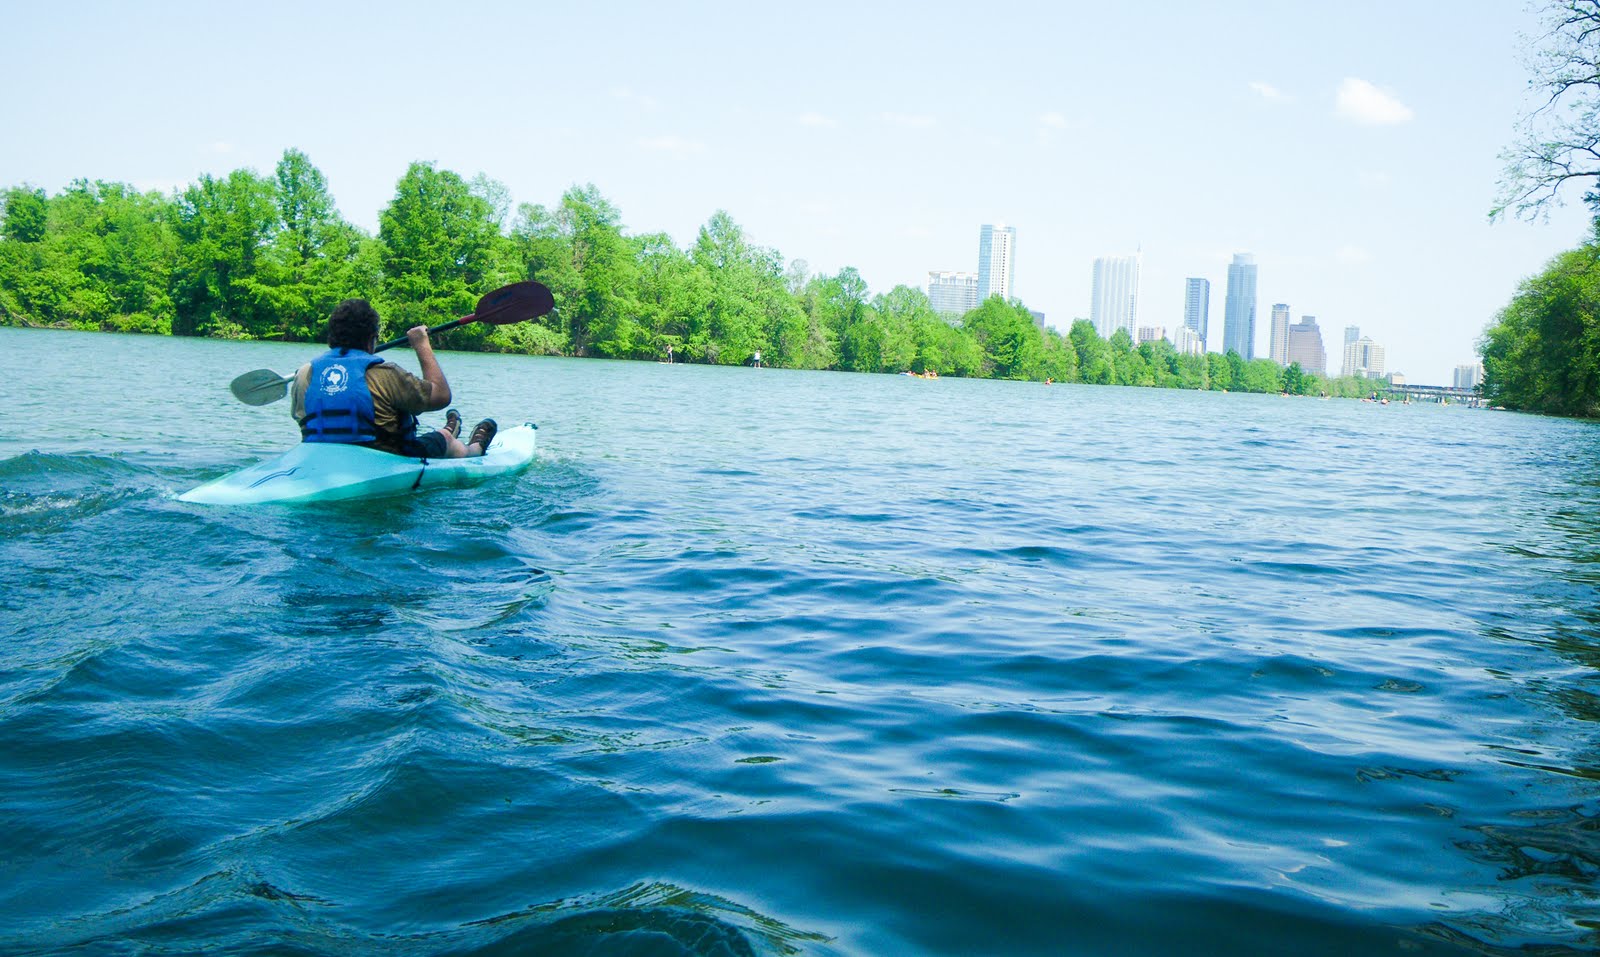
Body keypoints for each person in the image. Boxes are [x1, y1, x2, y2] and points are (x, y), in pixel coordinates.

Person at [291, 298, 496, 458]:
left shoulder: (304, 373)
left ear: (331, 337)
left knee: (437, 437)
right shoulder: (385, 374)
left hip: (321, 457)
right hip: (385, 458)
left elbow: (301, 418)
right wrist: (421, 344)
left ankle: (451, 427)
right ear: (372, 339)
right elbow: (441, 396)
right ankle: (474, 448)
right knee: (444, 440)